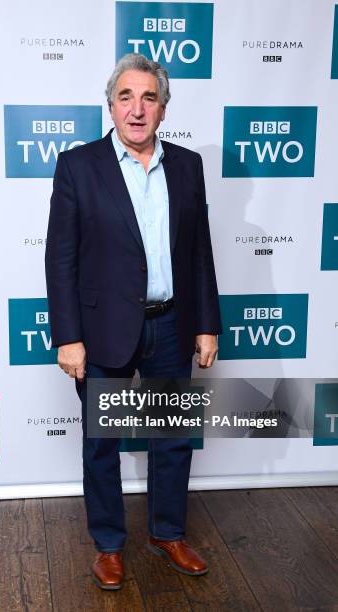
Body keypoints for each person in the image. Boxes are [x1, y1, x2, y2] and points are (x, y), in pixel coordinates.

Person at [45, 53, 222, 590]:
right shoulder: (79, 165)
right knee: (102, 442)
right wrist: (69, 337)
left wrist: (207, 323)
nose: (137, 108)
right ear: (111, 105)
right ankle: (108, 545)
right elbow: (61, 258)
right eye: (126, 97)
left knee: (171, 437)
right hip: (103, 331)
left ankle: (168, 532)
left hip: (171, 324)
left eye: (149, 97)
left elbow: (199, 252)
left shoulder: (188, 165)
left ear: (163, 109)